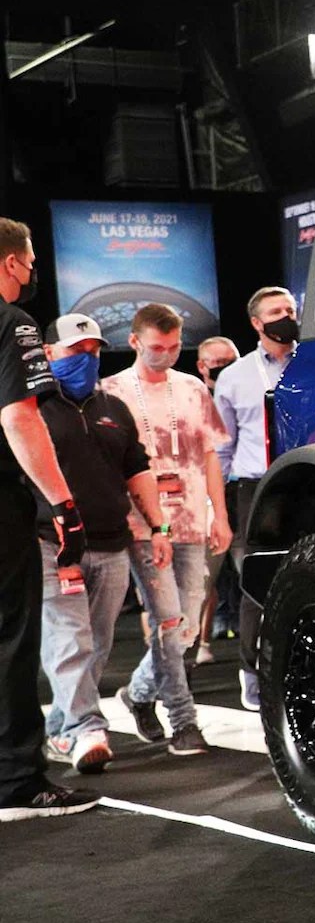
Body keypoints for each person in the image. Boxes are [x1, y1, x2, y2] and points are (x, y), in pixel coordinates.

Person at [36, 313, 174, 773]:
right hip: (52, 543)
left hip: (112, 542)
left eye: (94, 351)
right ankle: (87, 729)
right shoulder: (29, 408)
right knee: (68, 638)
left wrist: (158, 527)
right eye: (77, 351)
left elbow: (137, 470)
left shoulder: (113, 408)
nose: (87, 359)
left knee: (97, 643)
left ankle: (61, 727)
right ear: (49, 353)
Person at [0, 218, 97, 821]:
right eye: (31, 260)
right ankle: (16, 783)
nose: (34, 271)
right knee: (11, 637)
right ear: (11, 262)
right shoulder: (13, 323)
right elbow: (20, 419)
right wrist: (63, 503)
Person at [101, 303, 229, 755]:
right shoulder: (110, 392)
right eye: (158, 347)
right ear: (134, 341)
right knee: (168, 620)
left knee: (187, 627)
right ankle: (182, 720)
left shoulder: (192, 388)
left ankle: (137, 694)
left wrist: (222, 516)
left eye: (175, 346)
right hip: (140, 522)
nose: (168, 354)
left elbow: (212, 454)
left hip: (193, 517)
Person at [215, 287, 299, 711]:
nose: (286, 316)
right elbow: (222, 448)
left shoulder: (312, 364)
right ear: (256, 323)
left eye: (290, 309)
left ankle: (297, 667)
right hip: (257, 487)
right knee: (257, 580)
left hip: (311, 481)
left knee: (306, 577)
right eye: (276, 312)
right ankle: (251, 670)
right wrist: (221, 506)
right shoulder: (234, 376)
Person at [192, 336, 239, 665]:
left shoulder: (241, 391)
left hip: (235, 490)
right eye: (217, 363)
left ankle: (216, 632)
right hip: (197, 499)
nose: (224, 369)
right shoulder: (191, 398)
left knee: (235, 569)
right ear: (202, 365)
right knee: (203, 579)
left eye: (230, 362)